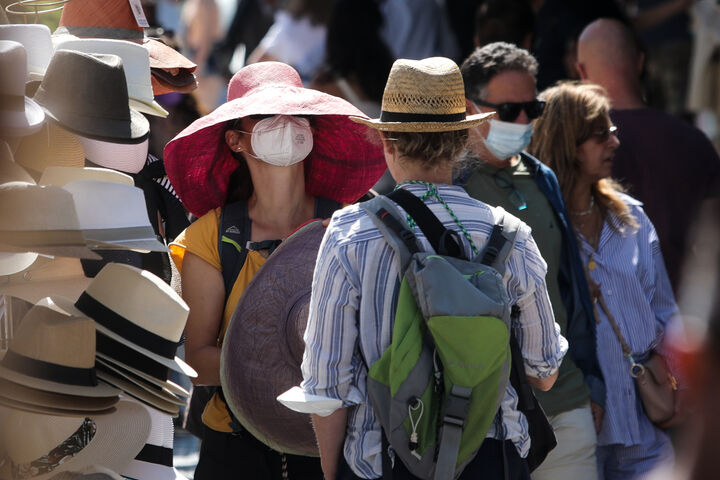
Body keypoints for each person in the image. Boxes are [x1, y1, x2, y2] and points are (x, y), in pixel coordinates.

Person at [296, 56, 567, 480]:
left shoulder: (350, 233)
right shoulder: (511, 235)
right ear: (463, 140)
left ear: (388, 143)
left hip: (382, 461)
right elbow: (544, 372)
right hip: (490, 462)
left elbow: (326, 385)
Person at [164, 61, 385, 479]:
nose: (284, 124)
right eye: (265, 116)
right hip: (235, 448)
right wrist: (292, 366)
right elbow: (198, 357)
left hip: (335, 442)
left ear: (312, 130)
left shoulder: (349, 225)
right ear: (235, 139)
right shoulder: (211, 237)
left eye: (296, 115)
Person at [460, 41, 602, 480]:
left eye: (532, 107)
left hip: (568, 407)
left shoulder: (541, 176)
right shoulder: (448, 186)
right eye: (508, 110)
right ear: (469, 108)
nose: (523, 120)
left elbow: (570, 286)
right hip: (489, 421)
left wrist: (591, 385)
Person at [528, 82, 679, 479]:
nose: (614, 141)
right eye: (600, 134)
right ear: (567, 142)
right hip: (576, 426)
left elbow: (665, 309)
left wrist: (682, 381)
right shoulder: (538, 227)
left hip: (642, 416)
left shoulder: (630, 218)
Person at [576, 18, 720, 290]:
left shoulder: (579, 147)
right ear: (641, 63)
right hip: (685, 310)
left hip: (611, 313)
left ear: (581, 72)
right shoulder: (694, 141)